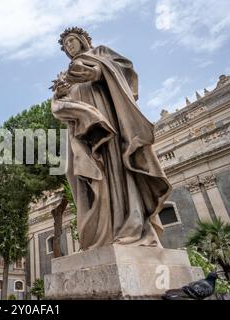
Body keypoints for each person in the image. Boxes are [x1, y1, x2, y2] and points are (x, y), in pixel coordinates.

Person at [51, 27, 171, 251]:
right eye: (65, 45)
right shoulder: (67, 74)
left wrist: (98, 72)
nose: (69, 47)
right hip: (82, 131)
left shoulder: (101, 53)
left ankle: (127, 225)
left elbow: (126, 71)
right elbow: (62, 105)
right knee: (83, 175)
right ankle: (99, 234)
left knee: (114, 171)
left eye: (71, 41)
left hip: (108, 124)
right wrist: (60, 94)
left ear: (83, 40)